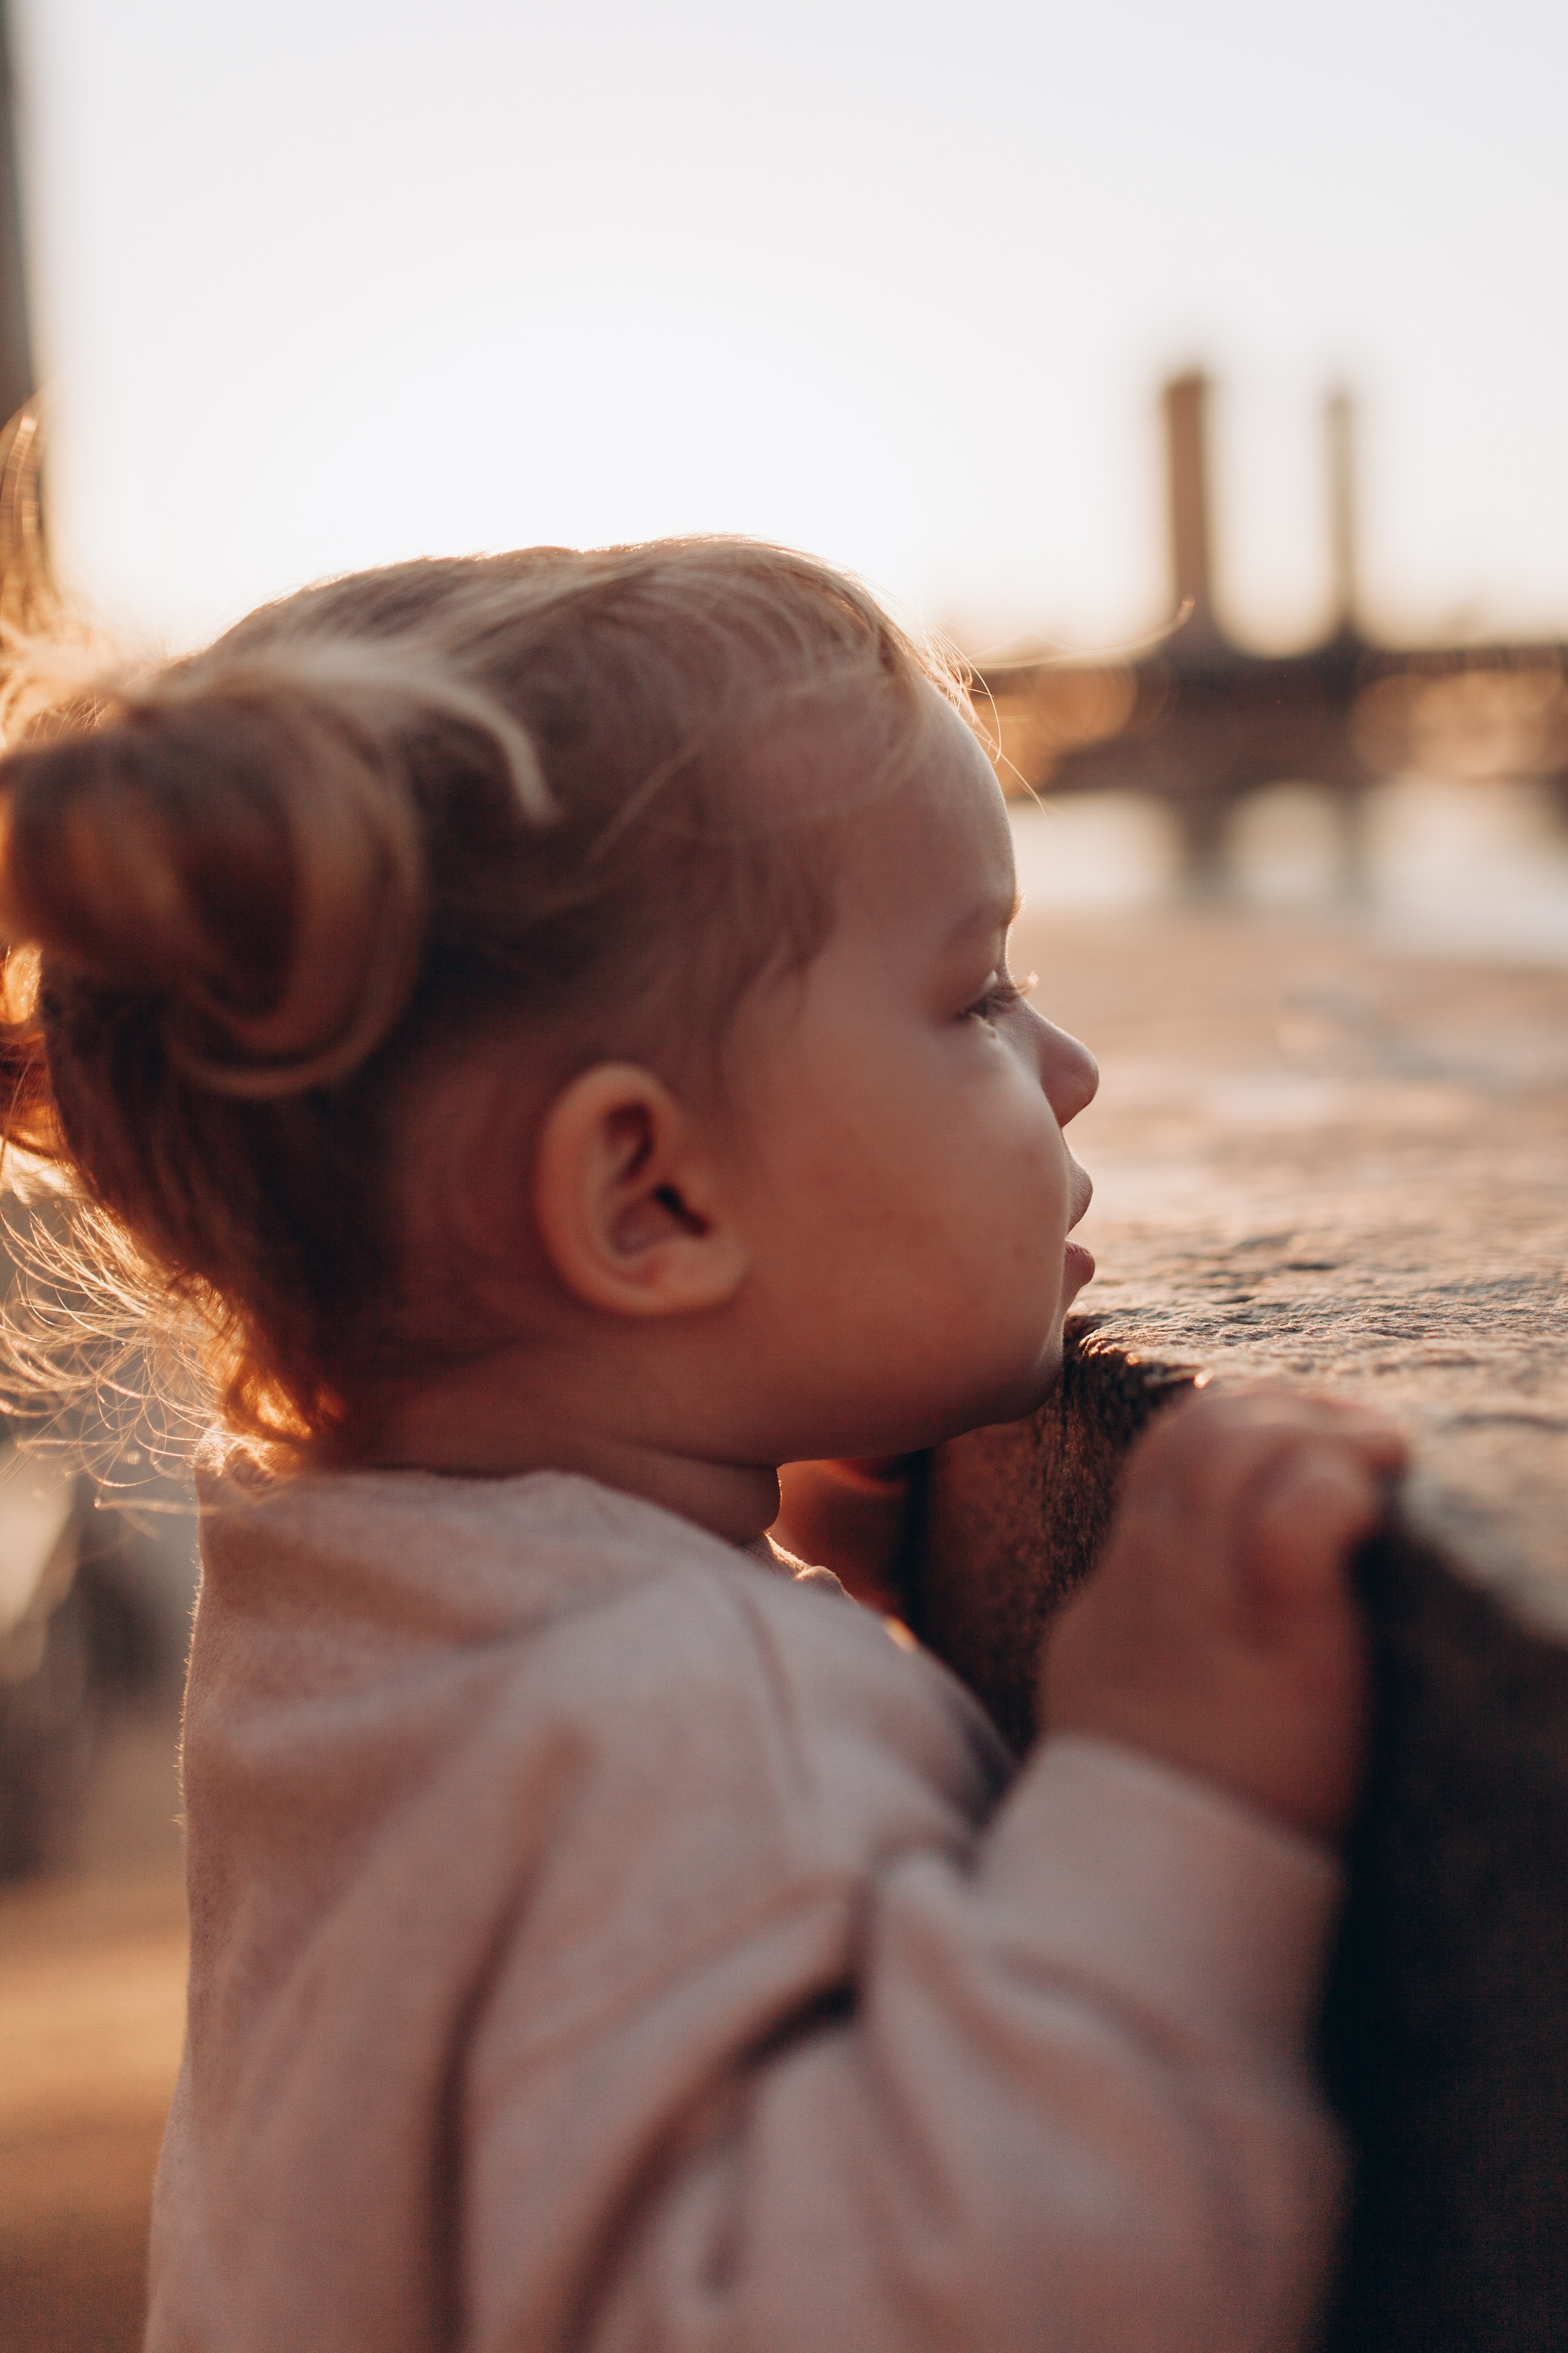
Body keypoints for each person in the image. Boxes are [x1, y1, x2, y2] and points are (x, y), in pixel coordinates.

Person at [0, 539, 1403, 2352]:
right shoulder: (687, 1714)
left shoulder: (353, 1660)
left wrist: (851, 1621)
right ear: (648, 1195)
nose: (1069, 1068)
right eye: (974, 994)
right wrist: (1172, 1803)